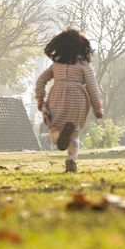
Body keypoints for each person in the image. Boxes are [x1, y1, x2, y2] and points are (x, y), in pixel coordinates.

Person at [35, 29, 104, 172]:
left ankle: (60, 136)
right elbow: (93, 88)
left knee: (54, 129)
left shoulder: (56, 65)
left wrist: (40, 98)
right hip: (78, 100)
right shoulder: (84, 67)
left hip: (57, 98)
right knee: (74, 135)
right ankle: (71, 161)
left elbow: (41, 80)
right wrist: (98, 108)